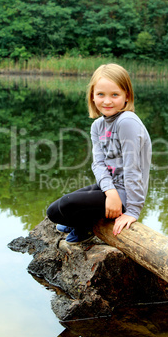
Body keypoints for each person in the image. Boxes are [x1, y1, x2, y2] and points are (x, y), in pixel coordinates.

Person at [47, 63, 152, 245]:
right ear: (93, 96)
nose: (107, 101)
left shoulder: (127, 122)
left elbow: (132, 167)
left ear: (126, 96)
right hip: (109, 189)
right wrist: (110, 192)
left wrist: (133, 211)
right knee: (53, 211)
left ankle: (85, 228)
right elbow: (98, 163)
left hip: (126, 194)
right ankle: (83, 220)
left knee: (67, 205)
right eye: (101, 94)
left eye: (115, 95)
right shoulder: (97, 126)